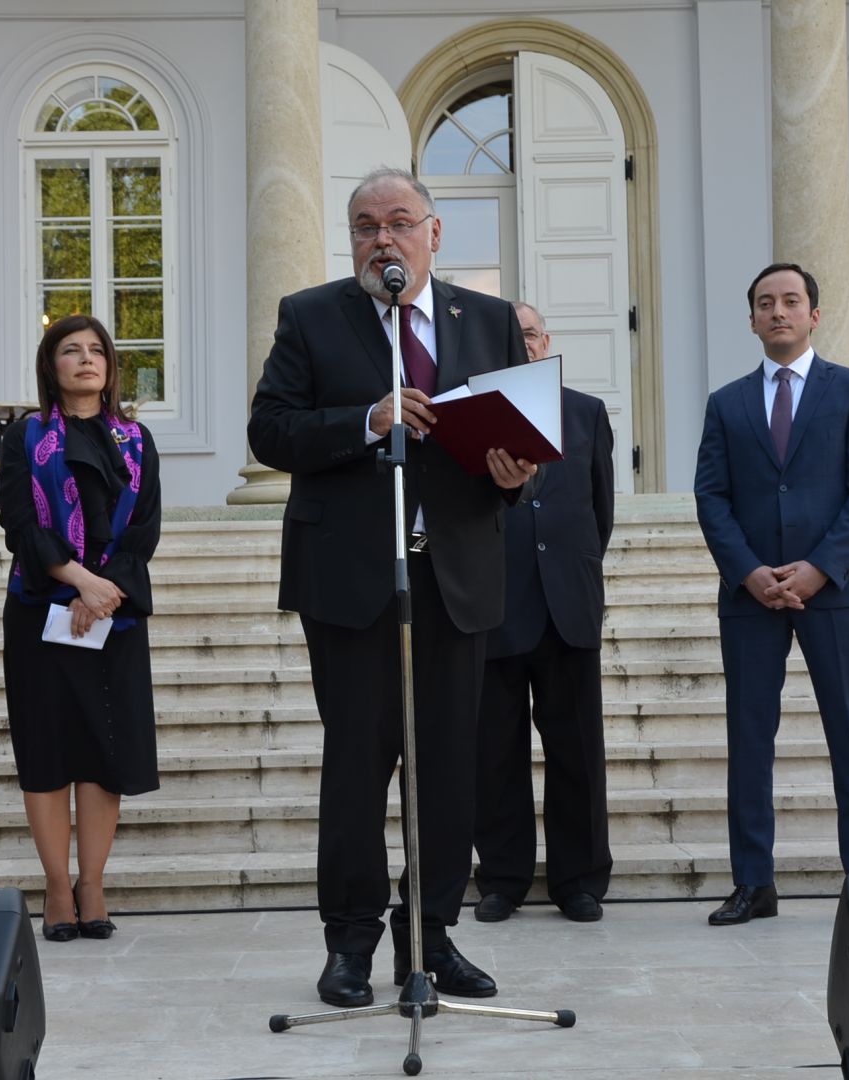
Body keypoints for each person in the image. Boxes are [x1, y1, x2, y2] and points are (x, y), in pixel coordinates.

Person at [248, 166, 538, 1008]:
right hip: (350, 580)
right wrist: (366, 421)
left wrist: (517, 473)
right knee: (355, 769)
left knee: (449, 769)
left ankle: (433, 936)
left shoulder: (486, 320)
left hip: (456, 579)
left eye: (400, 221)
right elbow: (270, 430)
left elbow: (520, 454)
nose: (384, 238)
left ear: (434, 234)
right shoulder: (312, 316)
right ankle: (349, 944)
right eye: (366, 225)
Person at [693, 263, 849, 926]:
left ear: (813, 314)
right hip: (750, 597)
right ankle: (754, 883)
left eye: (791, 301)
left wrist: (819, 568)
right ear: (751, 319)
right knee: (749, 741)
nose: (778, 311)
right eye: (765, 303)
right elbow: (712, 497)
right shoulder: (727, 404)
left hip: (834, 593)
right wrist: (749, 571)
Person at [0, 313, 160, 942]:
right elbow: (19, 522)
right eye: (71, 350)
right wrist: (78, 582)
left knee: (103, 752)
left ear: (111, 367)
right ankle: (57, 887)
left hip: (112, 618)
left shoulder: (135, 439)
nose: (86, 359)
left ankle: (93, 884)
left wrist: (104, 590)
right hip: (42, 609)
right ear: (52, 366)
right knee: (47, 750)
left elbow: (144, 528)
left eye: (97, 350)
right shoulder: (28, 435)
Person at [473, 302, 615, 924]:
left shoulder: (585, 411)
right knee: (493, 751)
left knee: (577, 750)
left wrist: (572, 571)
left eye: (530, 335)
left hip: (568, 606)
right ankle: (502, 879)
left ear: (546, 342)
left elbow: (600, 510)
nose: (523, 345)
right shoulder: (471, 415)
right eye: (512, 338)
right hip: (493, 604)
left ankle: (578, 879)